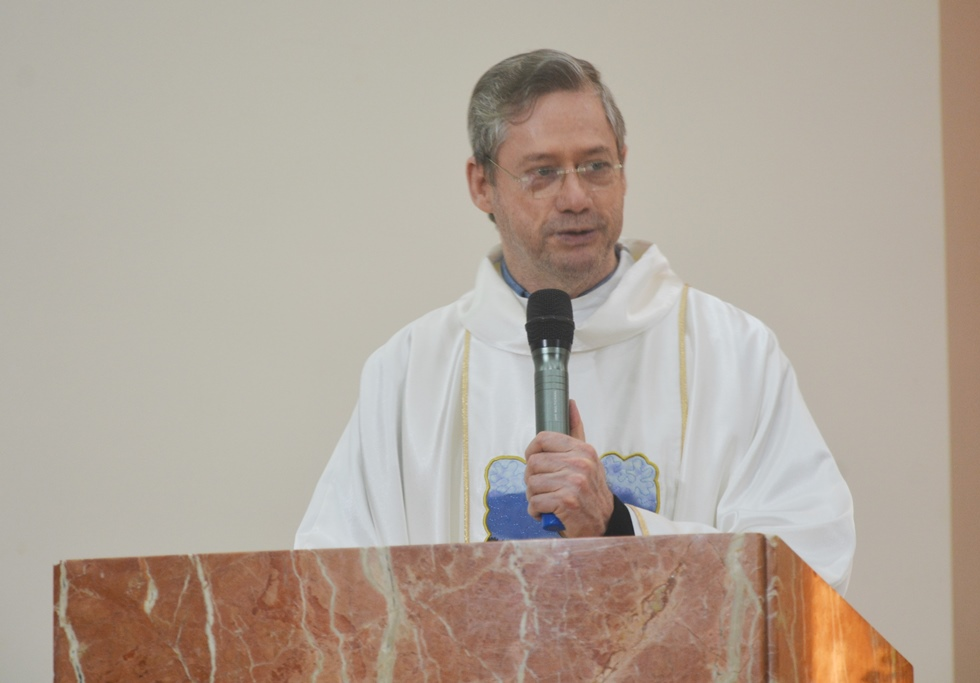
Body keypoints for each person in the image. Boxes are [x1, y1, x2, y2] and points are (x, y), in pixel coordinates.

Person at [295, 49, 855, 594]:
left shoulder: (734, 353)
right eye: (542, 172)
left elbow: (807, 571)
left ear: (623, 168)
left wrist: (618, 525)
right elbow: (331, 590)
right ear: (482, 185)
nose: (576, 197)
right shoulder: (409, 371)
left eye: (595, 165)